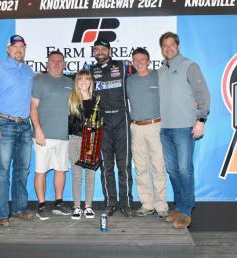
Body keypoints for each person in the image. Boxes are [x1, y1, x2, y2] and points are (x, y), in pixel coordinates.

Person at [158, 32, 210, 229]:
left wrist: (201, 119)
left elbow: (203, 94)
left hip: (184, 128)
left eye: (172, 44)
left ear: (178, 46)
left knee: (184, 170)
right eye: (165, 45)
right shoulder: (161, 70)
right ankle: (179, 207)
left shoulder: (190, 66)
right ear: (161, 48)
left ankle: (187, 211)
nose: (168, 48)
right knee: (172, 170)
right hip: (165, 129)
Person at [0, 34, 34, 228]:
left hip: (24, 125)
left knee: (22, 170)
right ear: (8, 49)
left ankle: (19, 209)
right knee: (2, 172)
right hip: (4, 123)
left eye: (21, 47)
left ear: (25, 49)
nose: (18, 50)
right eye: (15, 47)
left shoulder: (28, 71)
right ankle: (3, 214)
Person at [89, 39, 134, 217]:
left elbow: (143, 72)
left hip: (122, 118)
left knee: (123, 166)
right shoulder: (90, 69)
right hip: (102, 121)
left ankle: (126, 203)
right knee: (106, 166)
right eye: (96, 49)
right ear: (94, 52)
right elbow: (74, 79)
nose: (100, 51)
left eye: (103, 49)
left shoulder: (123, 66)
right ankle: (110, 203)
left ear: (109, 50)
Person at [126, 48, 169, 219]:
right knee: (141, 167)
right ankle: (147, 204)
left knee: (158, 166)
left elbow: (175, 90)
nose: (139, 62)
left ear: (149, 61)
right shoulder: (129, 81)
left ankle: (161, 206)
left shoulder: (158, 76)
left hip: (155, 126)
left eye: (142, 59)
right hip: (135, 127)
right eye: (135, 59)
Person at [31, 50, 73, 220]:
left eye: (60, 60)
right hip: (44, 135)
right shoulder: (39, 80)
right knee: (41, 170)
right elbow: (33, 107)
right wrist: (38, 129)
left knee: (61, 170)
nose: (56, 63)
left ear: (64, 64)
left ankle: (58, 202)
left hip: (64, 135)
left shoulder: (70, 82)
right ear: (47, 63)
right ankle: (41, 205)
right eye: (53, 60)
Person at [68, 70, 96, 219]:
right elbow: (69, 123)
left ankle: (89, 206)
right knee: (77, 175)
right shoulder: (71, 99)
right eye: (81, 79)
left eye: (87, 79)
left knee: (90, 175)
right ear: (76, 81)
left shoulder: (96, 99)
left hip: (92, 140)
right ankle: (77, 206)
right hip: (75, 140)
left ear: (91, 82)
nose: (84, 82)